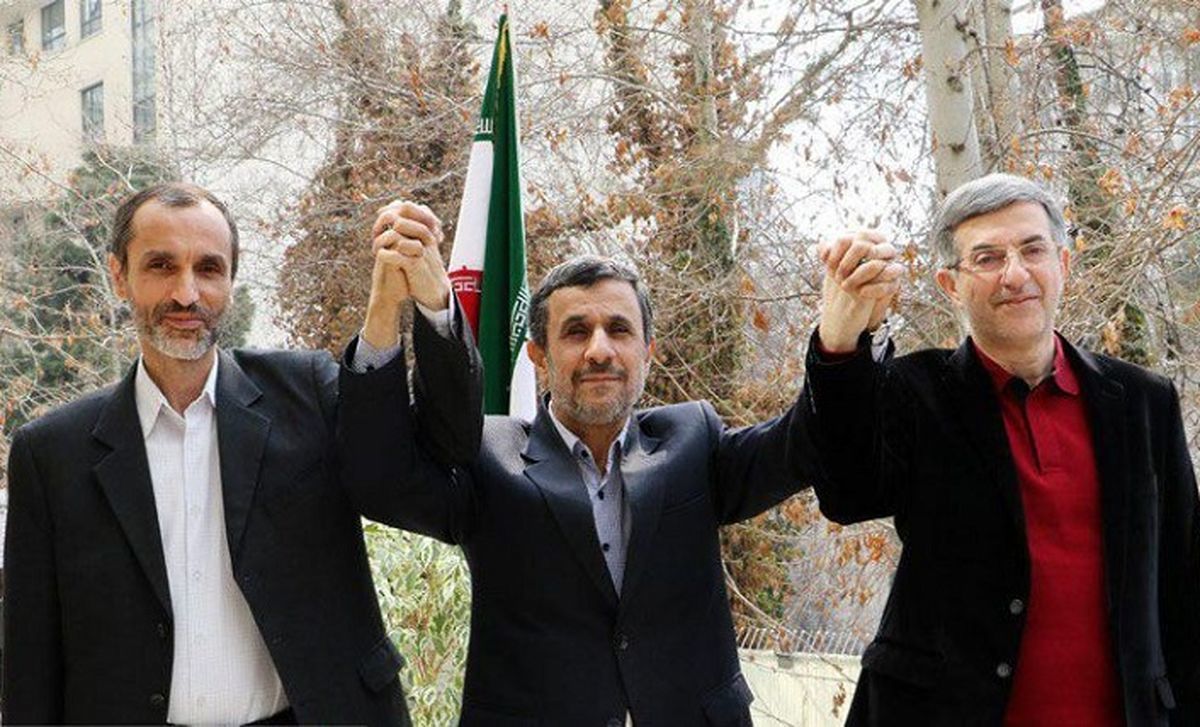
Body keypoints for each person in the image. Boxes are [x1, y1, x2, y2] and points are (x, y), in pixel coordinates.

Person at [1, 183, 481, 725]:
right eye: (161, 266)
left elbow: (434, 456)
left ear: (230, 279)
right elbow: (30, 665)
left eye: (208, 268)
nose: (187, 294)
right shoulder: (52, 454)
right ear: (119, 275)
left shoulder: (305, 395)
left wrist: (429, 303)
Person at [340, 251, 862, 725]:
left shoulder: (692, 443)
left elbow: (799, 447)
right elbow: (382, 480)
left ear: (647, 351)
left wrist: (838, 342)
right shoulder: (490, 457)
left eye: (618, 329)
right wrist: (392, 310)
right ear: (538, 356)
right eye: (575, 332)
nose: (598, 350)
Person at [804, 172, 1200, 725]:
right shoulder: (915, 392)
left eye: (1033, 250)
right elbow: (847, 494)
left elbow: (1183, 584)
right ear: (950, 284)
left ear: (1063, 264)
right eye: (987, 258)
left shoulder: (1142, 401)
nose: (1015, 274)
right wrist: (840, 342)